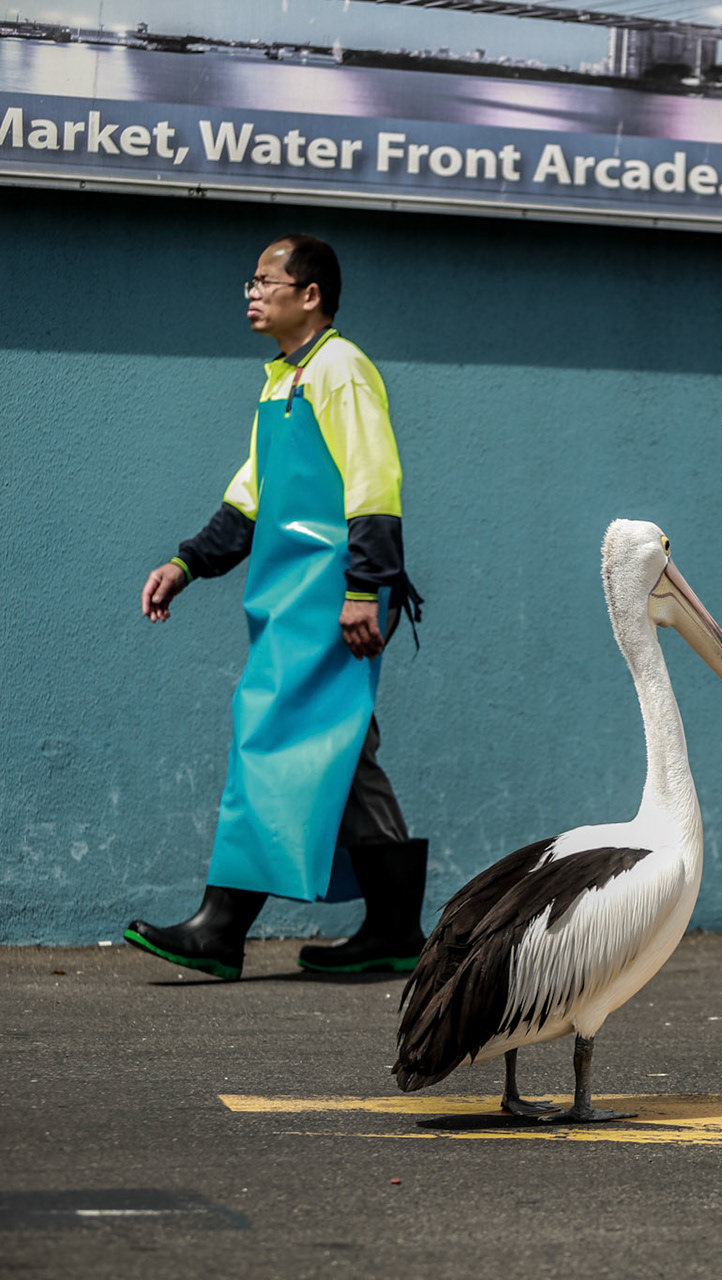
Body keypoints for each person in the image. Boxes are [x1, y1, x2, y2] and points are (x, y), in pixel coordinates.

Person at [129, 234, 427, 981]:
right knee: (341, 748)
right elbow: (249, 498)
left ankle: (221, 926)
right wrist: (185, 563)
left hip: (334, 598)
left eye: (265, 280)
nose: (250, 292)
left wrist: (365, 589)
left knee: (271, 734)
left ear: (311, 294)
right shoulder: (282, 381)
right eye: (251, 281)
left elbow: (374, 485)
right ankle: (394, 929)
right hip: (296, 600)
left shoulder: (340, 370)